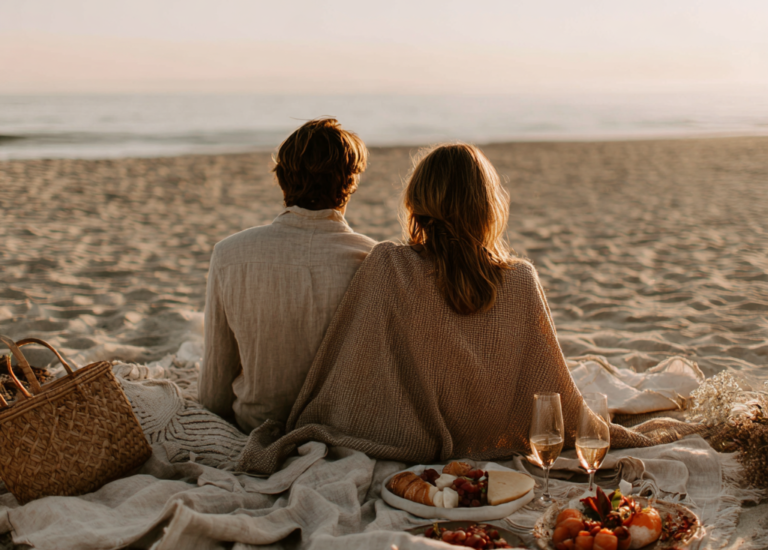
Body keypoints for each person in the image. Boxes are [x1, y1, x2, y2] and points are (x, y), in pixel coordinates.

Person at [237, 143, 699, 474]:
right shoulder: (520, 278)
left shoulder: (390, 264)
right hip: (495, 438)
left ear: (416, 203)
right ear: (486, 206)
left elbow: (352, 368)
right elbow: (550, 382)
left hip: (413, 445)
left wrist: (302, 418)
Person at [199, 118, 376, 432]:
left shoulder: (229, 254)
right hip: (344, 427)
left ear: (281, 178)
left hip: (256, 424)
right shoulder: (374, 259)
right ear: (351, 182)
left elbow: (215, 384)